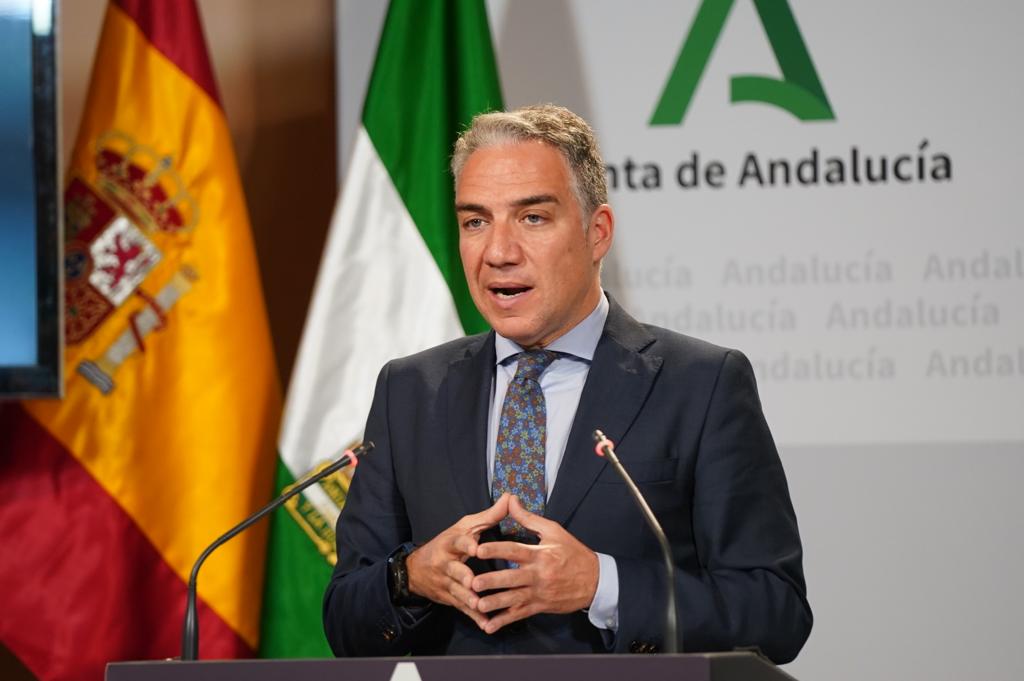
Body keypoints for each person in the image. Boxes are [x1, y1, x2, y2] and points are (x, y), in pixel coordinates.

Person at [322, 104, 811, 660]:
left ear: (596, 232)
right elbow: (344, 620)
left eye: (532, 218)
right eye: (475, 221)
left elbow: (776, 611)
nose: (499, 253)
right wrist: (408, 578)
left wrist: (601, 585)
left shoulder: (701, 385)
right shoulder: (410, 390)